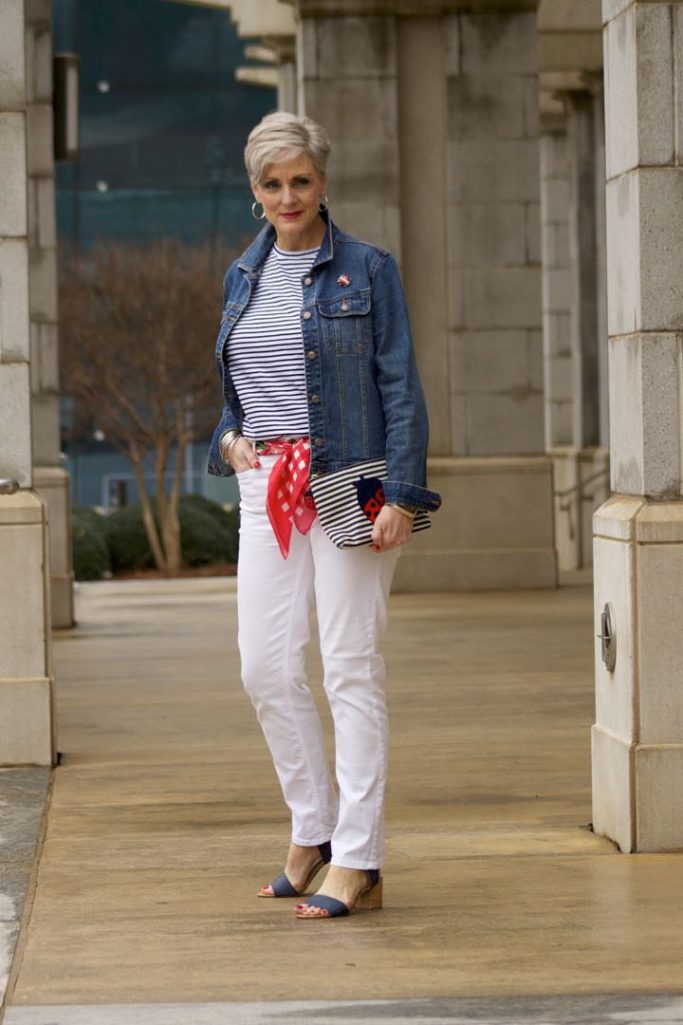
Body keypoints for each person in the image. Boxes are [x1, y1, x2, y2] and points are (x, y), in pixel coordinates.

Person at [207, 112, 440, 920]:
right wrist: (229, 439)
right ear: (254, 191)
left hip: (350, 480)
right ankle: (313, 830)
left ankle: (361, 858)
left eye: (299, 180)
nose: (287, 196)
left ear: (323, 181)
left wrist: (405, 494)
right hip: (266, 482)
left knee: (349, 666)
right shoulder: (243, 275)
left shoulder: (367, 270)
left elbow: (400, 389)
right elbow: (238, 390)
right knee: (263, 666)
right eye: (271, 184)